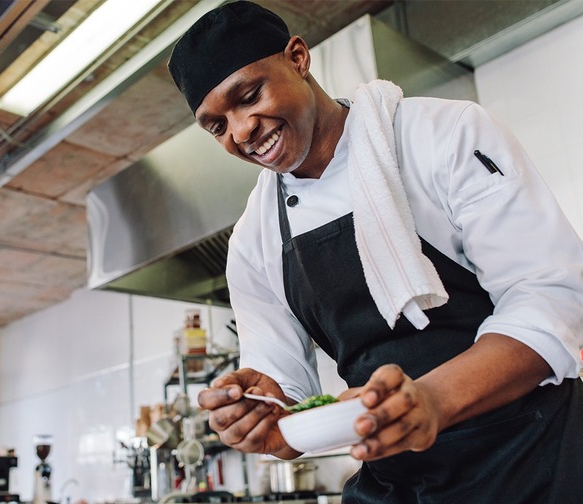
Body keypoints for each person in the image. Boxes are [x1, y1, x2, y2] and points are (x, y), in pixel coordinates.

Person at [167, 2, 583, 502]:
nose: (240, 131)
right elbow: (285, 391)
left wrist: (432, 399)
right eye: (217, 126)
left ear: (298, 58)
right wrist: (263, 412)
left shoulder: (444, 136)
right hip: (396, 480)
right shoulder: (253, 241)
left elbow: (551, 298)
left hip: (535, 459)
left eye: (249, 96)